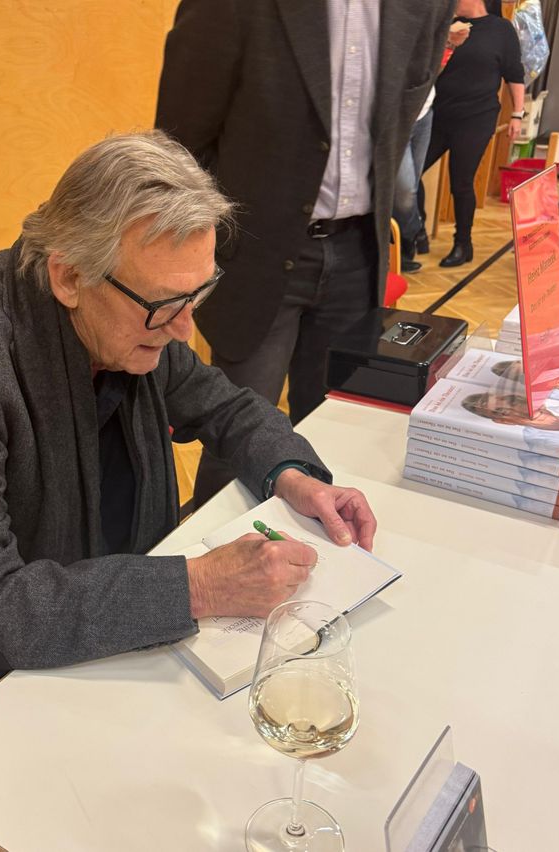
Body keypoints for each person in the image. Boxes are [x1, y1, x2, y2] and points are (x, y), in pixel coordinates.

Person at [0, 131, 377, 775]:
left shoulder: (128, 316)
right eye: (167, 304)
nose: (184, 329)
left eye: (197, 296)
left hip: (91, 607)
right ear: (68, 276)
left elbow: (222, 404)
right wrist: (199, 585)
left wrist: (293, 474)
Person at [155, 0, 455, 507]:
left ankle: (323, 564)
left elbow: (403, 114)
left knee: (341, 427)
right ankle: (213, 568)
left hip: (360, 253)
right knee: (236, 436)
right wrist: (213, 244)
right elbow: (180, 144)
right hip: (255, 253)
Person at [420, 0, 525, 268]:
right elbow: (426, 69)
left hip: (477, 118)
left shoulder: (501, 29)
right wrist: (448, 43)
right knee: (410, 173)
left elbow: (514, 74)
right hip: (439, 115)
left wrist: (517, 114)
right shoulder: (445, 26)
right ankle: (416, 229)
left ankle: (462, 243)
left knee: (462, 182)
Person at [394, 25, 472, 273]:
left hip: (424, 113)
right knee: (404, 192)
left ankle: (403, 250)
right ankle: (414, 234)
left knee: (412, 186)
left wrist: (448, 45)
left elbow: (430, 74)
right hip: (397, 119)